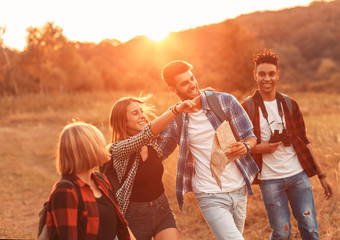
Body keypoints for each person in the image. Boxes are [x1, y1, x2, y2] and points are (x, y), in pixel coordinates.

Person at [157, 60, 259, 240]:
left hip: (238, 188)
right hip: (209, 194)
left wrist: (246, 146)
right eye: (184, 83)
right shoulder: (175, 119)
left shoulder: (225, 101)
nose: (192, 84)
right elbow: (158, 154)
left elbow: (250, 136)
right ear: (173, 90)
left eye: (192, 78)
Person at [241, 49, 333, 240]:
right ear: (255, 75)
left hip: (298, 176)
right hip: (269, 180)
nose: (267, 78)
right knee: (282, 234)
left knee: (310, 229)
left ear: (278, 75)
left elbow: (305, 142)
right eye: (262, 74)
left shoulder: (290, 104)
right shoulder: (247, 108)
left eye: (271, 73)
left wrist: (322, 176)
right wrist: (259, 148)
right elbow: (239, 146)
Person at [108, 95, 199, 240]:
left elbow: (171, 124)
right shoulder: (118, 149)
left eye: (141, 111)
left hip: (162, 209)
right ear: (123, 122)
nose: (142, 116)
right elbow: (147, 133)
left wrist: (199, 96)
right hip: (133, 217)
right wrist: (176, 109)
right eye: (135, 113)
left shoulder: (153, 143)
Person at [45, 121, 134, 240]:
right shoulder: (65, 190)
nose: (105, 147)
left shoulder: (100, 180)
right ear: (88, 150)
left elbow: (121, 224)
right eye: (100, 144)